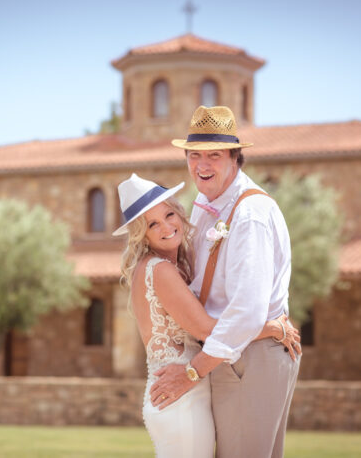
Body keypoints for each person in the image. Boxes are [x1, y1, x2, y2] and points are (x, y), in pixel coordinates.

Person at [150, 105, 301, 458]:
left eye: (214, 155)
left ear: (235, 158)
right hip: (226, 353)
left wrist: (190, 373)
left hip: (249, 358)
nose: (202, 165)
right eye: (194, 155)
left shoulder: (250, 215)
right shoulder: (205, 203)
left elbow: (247, 312)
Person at [114, 173, 300, 458]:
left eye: (169, 214)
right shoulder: (160, 271)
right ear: (142, 234)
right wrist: (273, 328)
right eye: (153, 224)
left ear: (179, 212)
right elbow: (206, 330)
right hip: (180, 400)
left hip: (182, 394)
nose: (166, 226)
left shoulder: (168, 265)